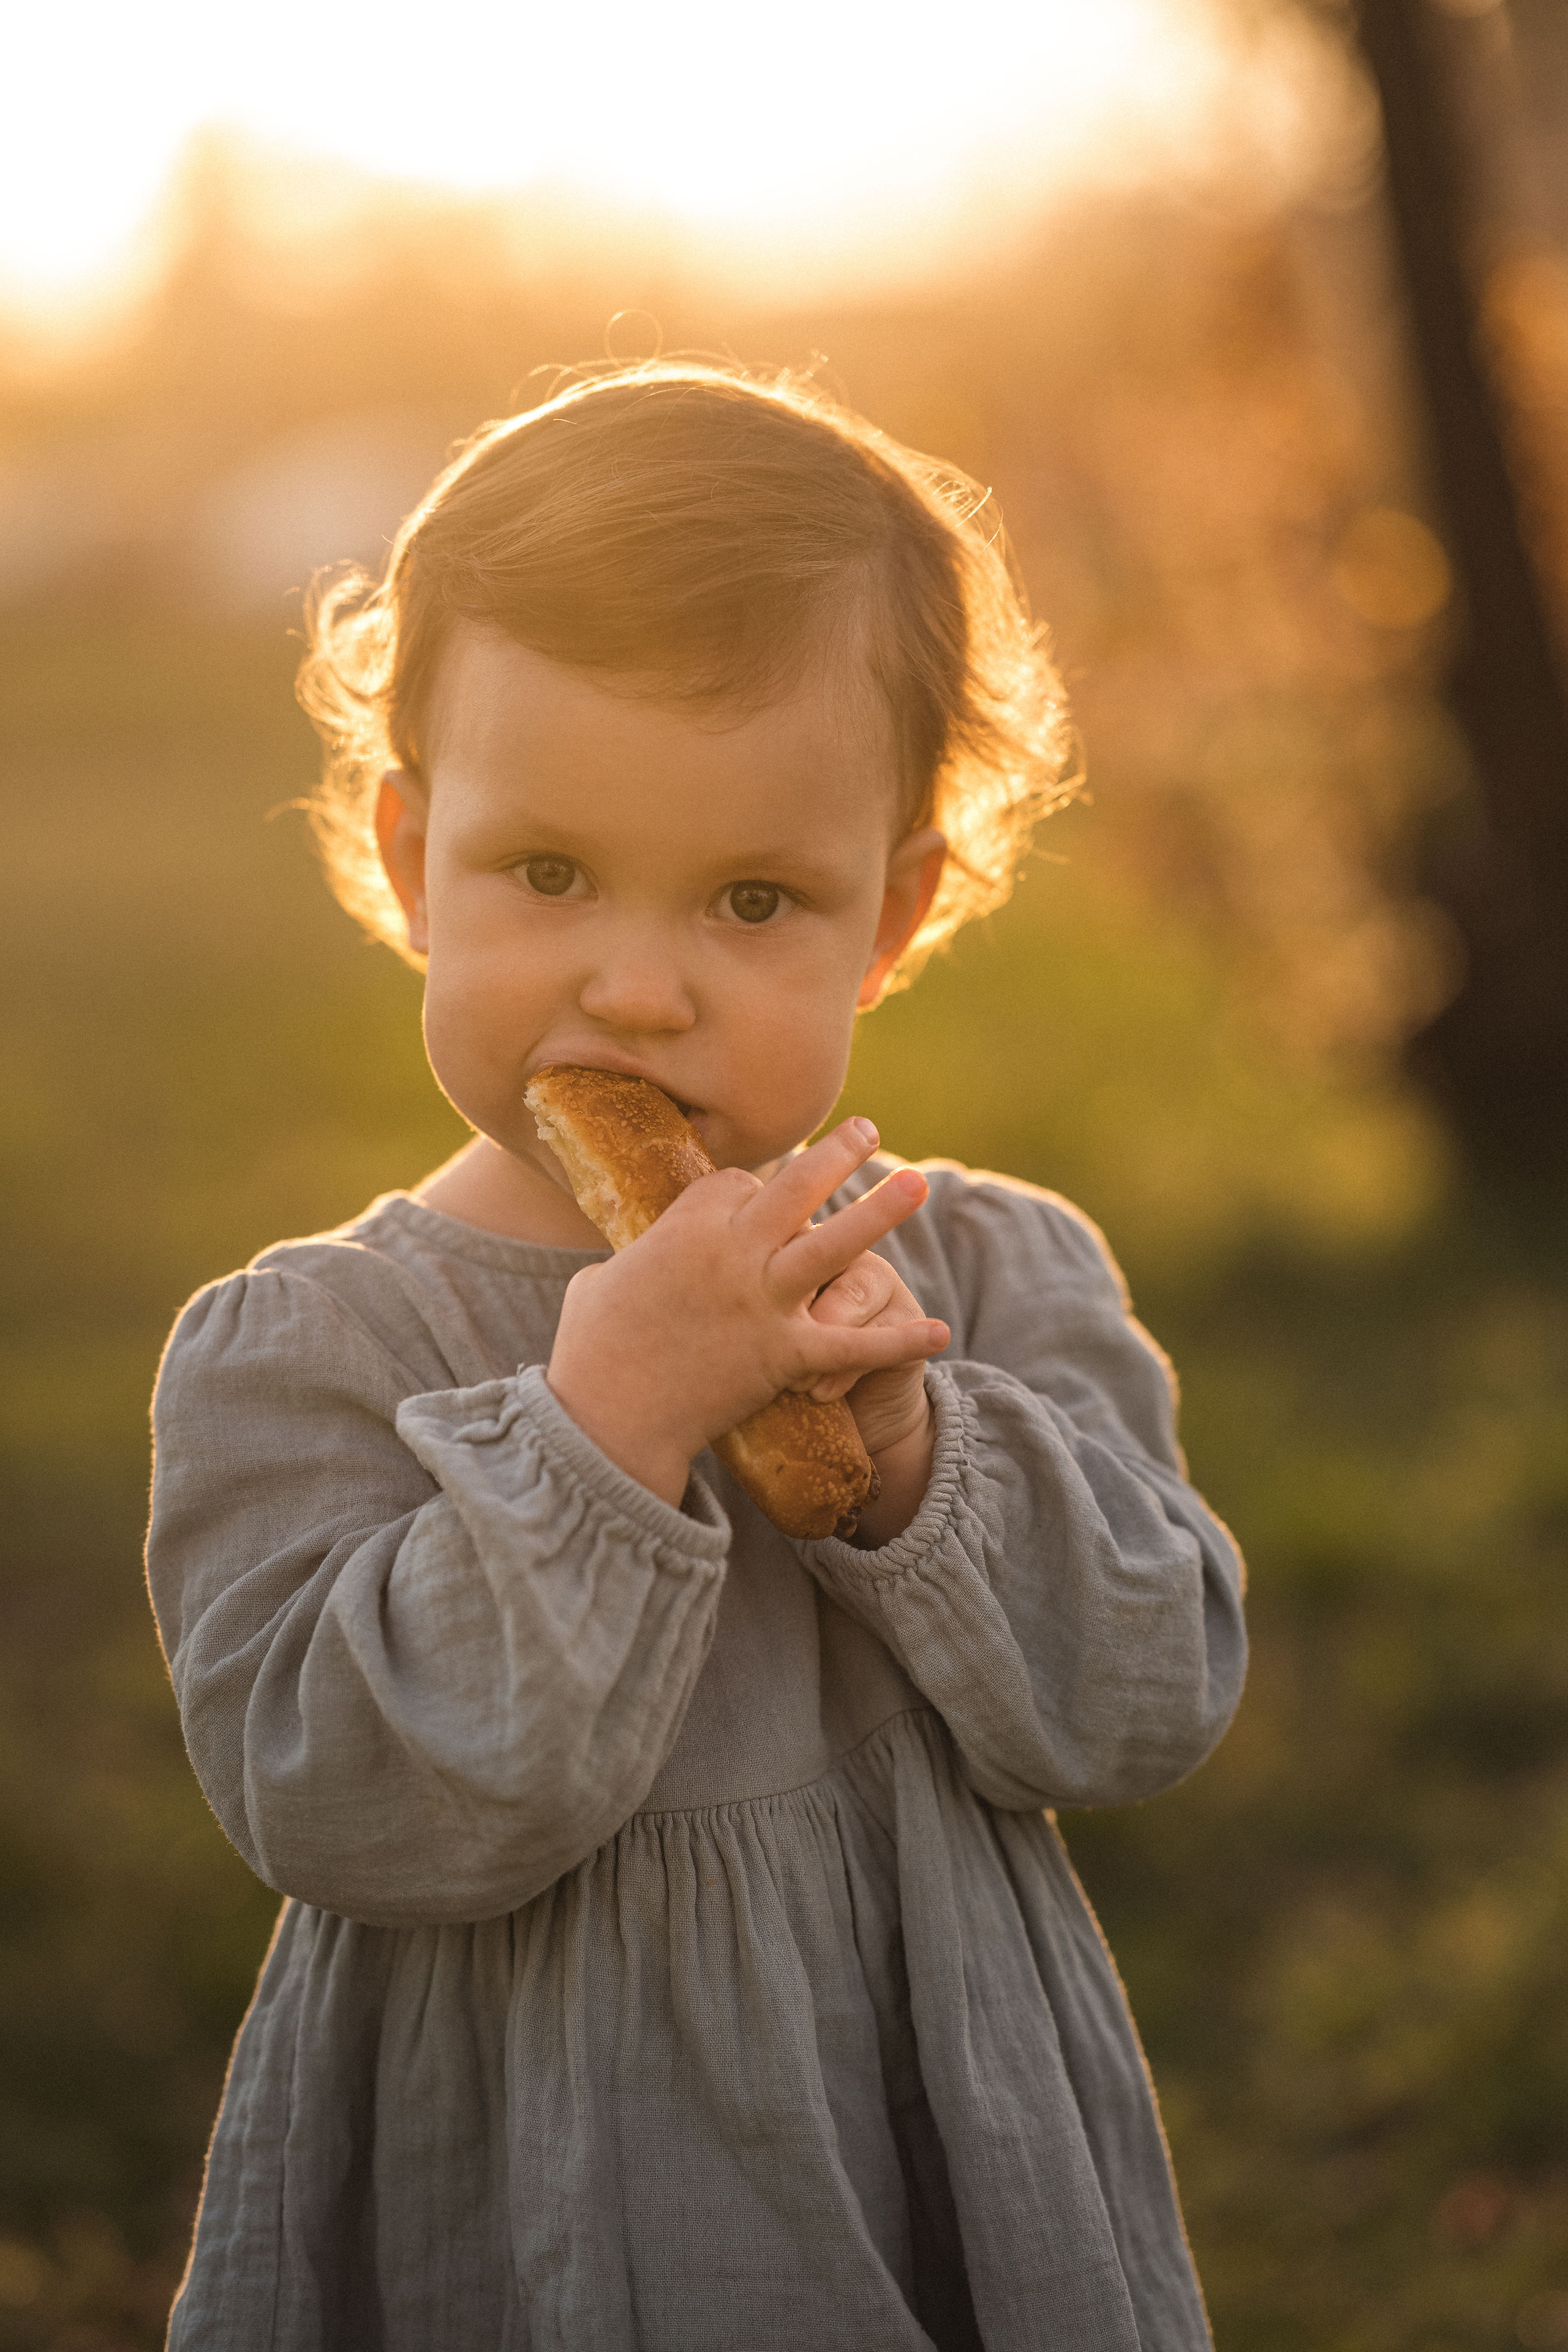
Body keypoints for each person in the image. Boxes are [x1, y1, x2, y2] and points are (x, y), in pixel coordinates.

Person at [146, 363, 1246, 2351]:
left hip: (936, 2161)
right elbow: (337, 1799)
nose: (638, 986)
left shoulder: (984, 1280)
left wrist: (916, 1448)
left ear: (891, 917)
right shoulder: (308, 1349)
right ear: (411, 860)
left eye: (754, 900)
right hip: (525, 2184)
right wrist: (605, 1424)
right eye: (546, 872)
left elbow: (1146, 1700)